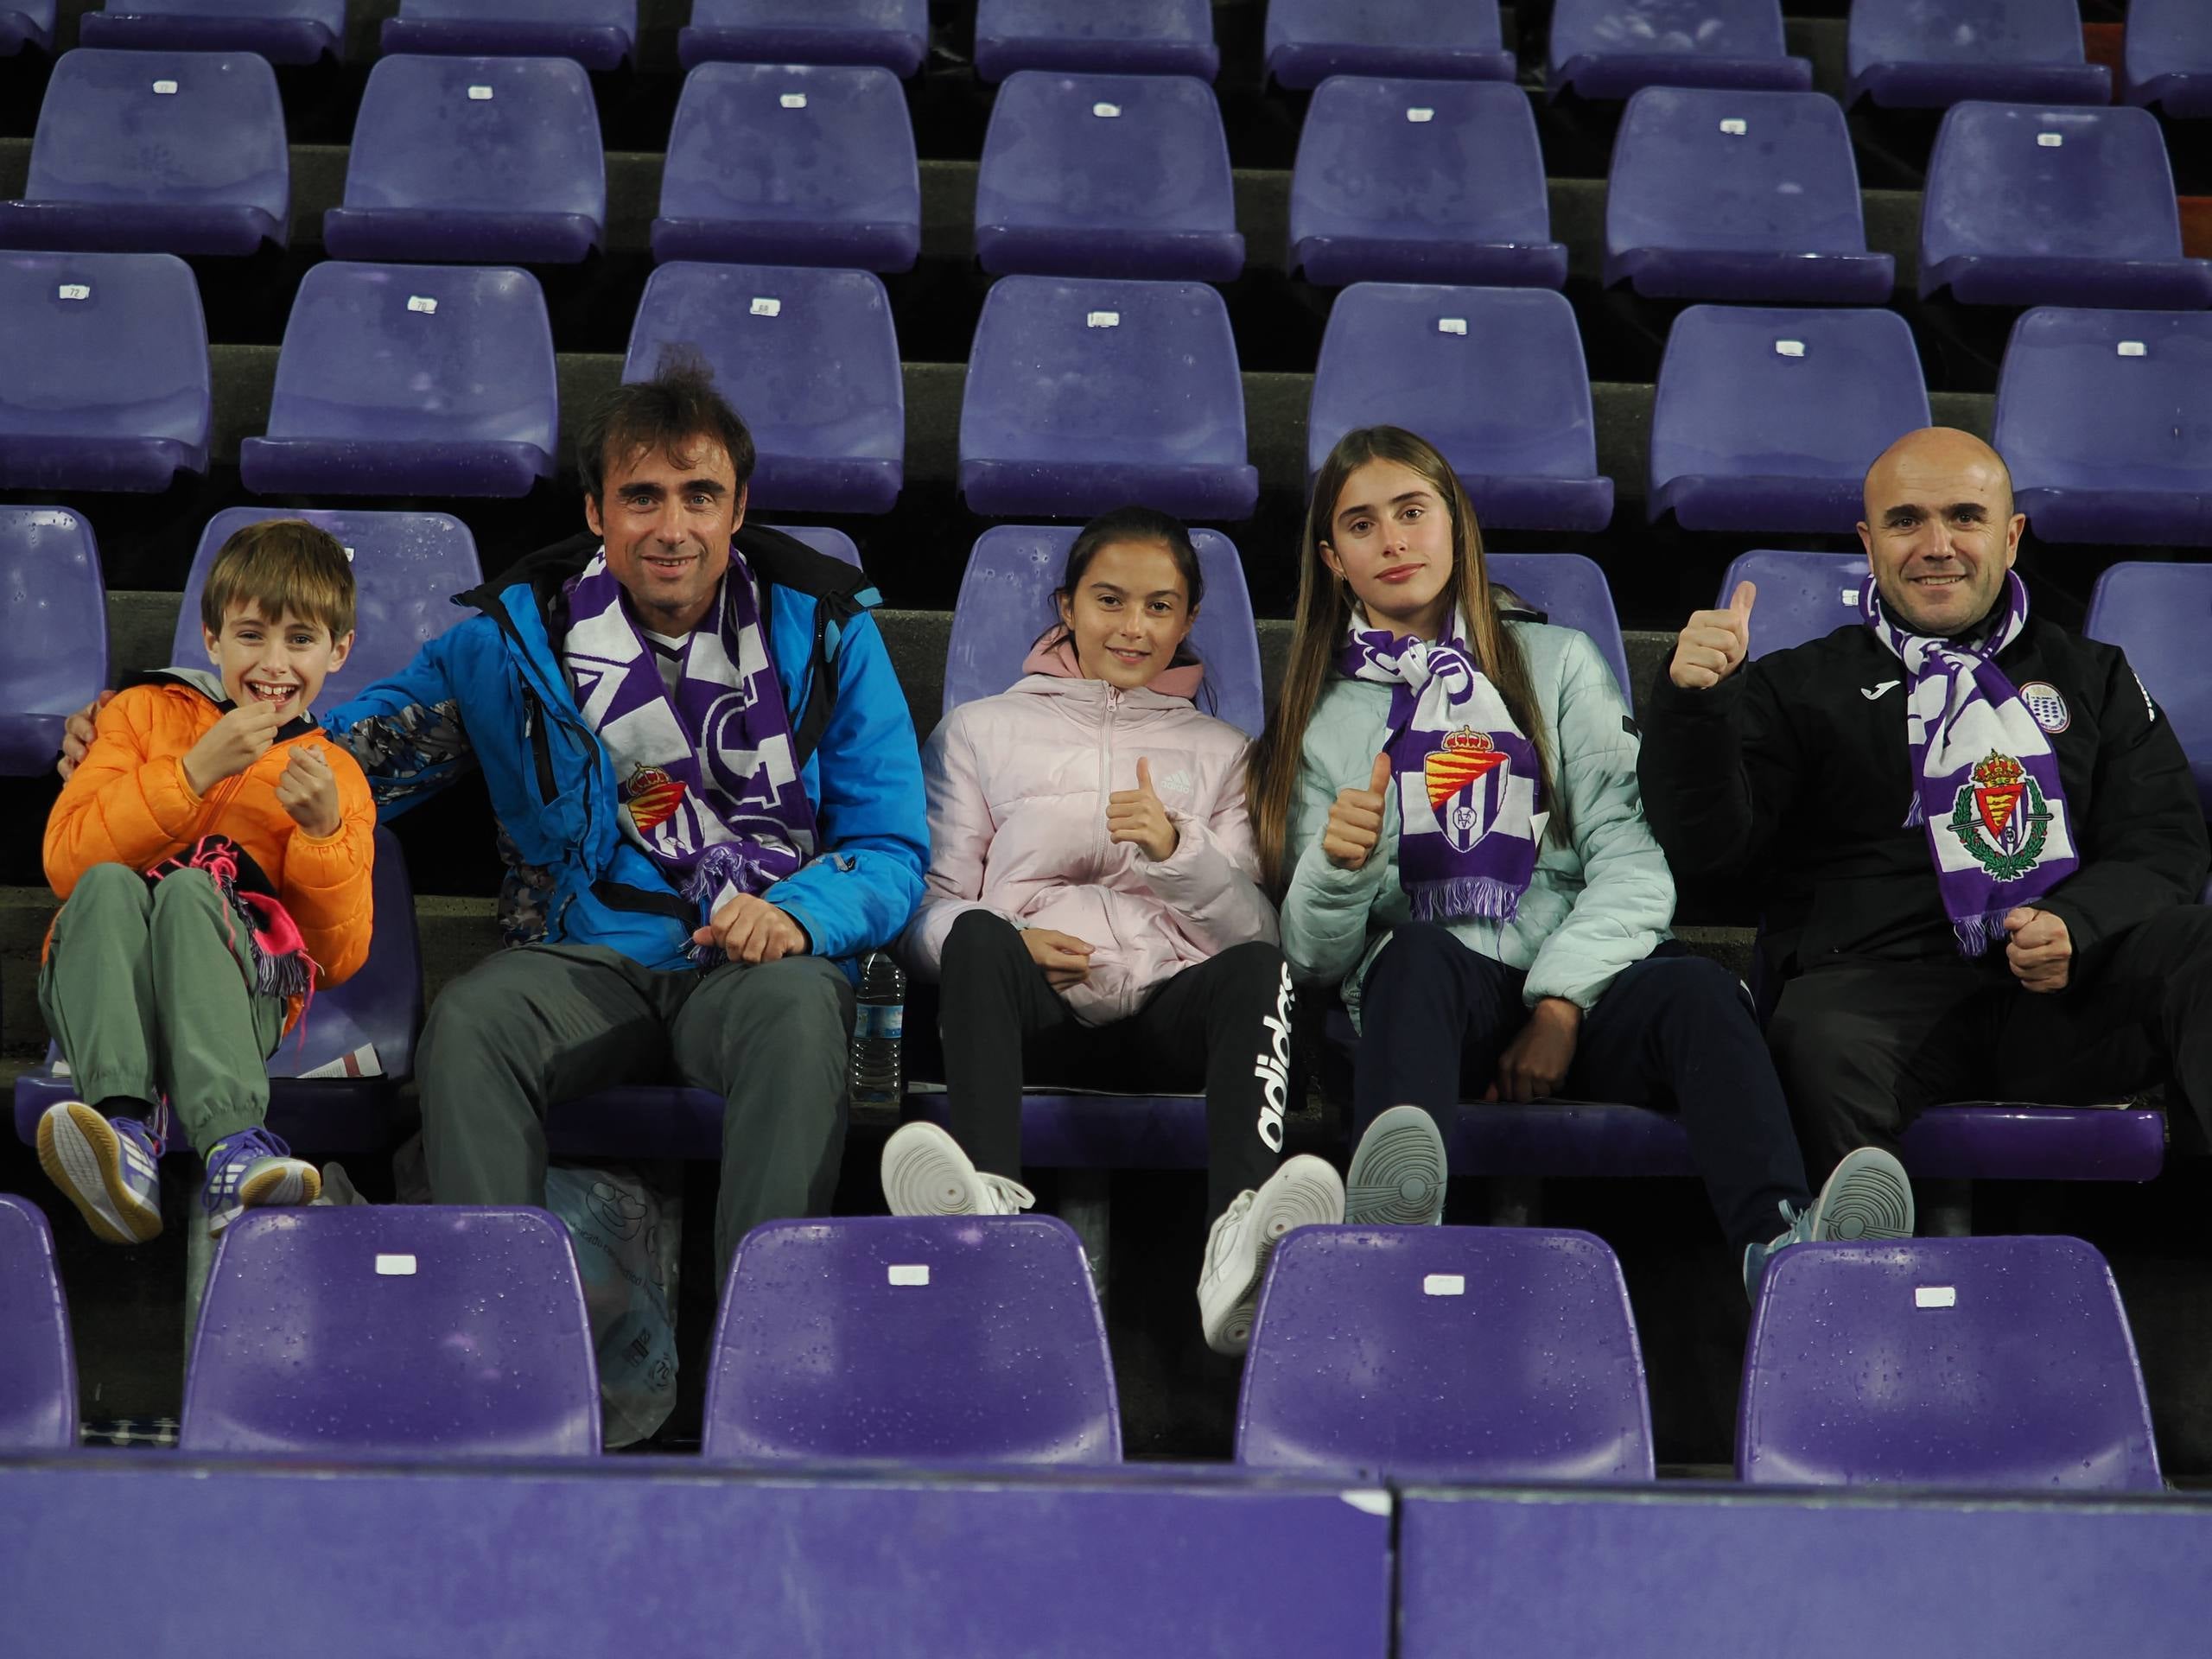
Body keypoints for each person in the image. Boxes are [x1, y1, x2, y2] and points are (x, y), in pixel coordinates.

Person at [62, 362, 930, 1278]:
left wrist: (799, 914)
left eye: (698, 495)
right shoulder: (510, 644)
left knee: (803, 1013)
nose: (671, 528)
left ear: (738, 508)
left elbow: (889, 848)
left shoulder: (826, 631)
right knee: (473, 1019)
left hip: (759, 966)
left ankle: (772, 1332)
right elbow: (332, 757)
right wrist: (144, 729)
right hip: (589, 957)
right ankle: (502, 1330)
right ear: (596, 511)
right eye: (641, 497)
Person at [1246, 425, 1913, 1295]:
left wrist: (1559, 1003)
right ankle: (1390, 1242)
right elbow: (1313, 958)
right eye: (1363, 525)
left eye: (1412, 511)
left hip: (1583, 978)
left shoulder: (1558, 665)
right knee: (1411, 957)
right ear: (1333, 559)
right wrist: (1336, 868)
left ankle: (1783, 1251)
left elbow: (1635, 859)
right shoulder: (1318, 716)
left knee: (1700, 990)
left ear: (1456, 527)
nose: (1394, 540)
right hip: (1426, 1003)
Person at [1641, 426, 2212, 1175]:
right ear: (1868, 542)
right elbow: (1710, 854)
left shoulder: (2093, 676)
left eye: (1966, 517)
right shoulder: (1795, 685)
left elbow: (2165, 843)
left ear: (2010, 538)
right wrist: (1696, 710)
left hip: (2065, 993)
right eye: (1906, 520)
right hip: (1870, 1004)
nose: (1937, 544)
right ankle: (1858, 1272)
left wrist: (2080, 922)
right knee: (1815, 1036)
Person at [887, 507, 1342, 1356]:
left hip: (1169, 1016)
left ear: (1189, 621)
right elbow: (922, 911)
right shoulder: (981, 731)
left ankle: (1237, 1242)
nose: (1134, 628)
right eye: (1109, 600)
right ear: (1066, 607)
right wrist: (1008, 940)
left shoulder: (1224, 752)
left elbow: (1259, 937)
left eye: (1160, 607)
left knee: (1259, 975)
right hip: (1031, 1012)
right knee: (976, 935)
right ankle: (988, 1214)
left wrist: (1177, 852)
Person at [38, 519, 375, 1241]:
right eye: (251, 634)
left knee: (194, 892)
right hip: (108, 980)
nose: (274, 661)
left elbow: (336, 960)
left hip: (236, 1002)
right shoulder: (135, 714)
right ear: (212, 638)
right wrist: (191, 774)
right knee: (105, 885)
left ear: (338, 651)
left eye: (301, 639)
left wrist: (322, 838)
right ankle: (123, 1135)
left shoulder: (335, 774)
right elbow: (66, 862)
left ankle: (233, 1150)